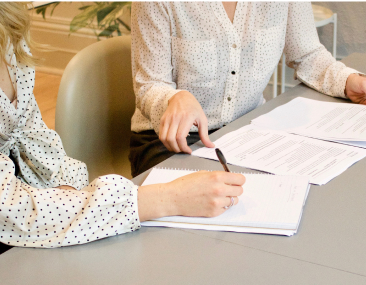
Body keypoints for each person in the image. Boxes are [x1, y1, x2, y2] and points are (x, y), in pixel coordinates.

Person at [0, 2, 245, 251]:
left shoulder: (6, 20)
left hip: (36, 207)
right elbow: (9, 208)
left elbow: (32, 133)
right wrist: (169, 199)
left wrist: (67, 191)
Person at [129, 2, 366, 177]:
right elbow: (149, 85)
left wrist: (348, 81)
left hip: (247, 132)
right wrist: (175, 98)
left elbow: (308, 54)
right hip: (171, 141)